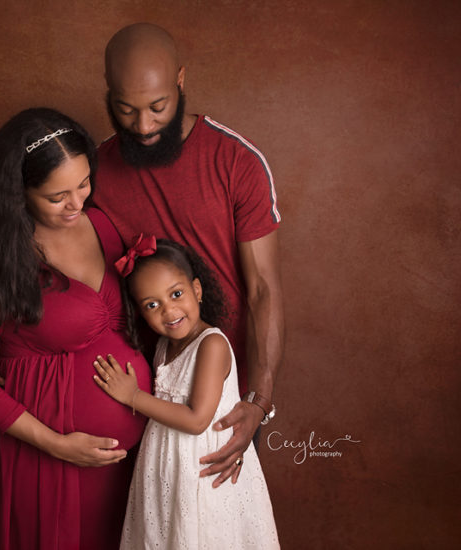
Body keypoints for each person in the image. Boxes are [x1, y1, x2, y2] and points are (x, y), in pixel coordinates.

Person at [0, 107, 152, 550]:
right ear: (18, 192)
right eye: (58, 196)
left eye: (83, 184)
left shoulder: (100, 225)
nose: (77, 203)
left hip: (125, 463)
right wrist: (57, 444)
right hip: (45, 459)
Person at [94, 22, 285, 487]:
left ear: (180, 80)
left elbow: (263, 290)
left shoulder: (235, 161)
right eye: (126, 109)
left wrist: (258, 402)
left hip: (220, 400)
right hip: (132, 390)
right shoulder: (94, 169)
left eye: (158, 107)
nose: (143, 126)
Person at [92, 237, 280, 549]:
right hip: (169, 470)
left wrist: (133, 396)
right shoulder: (165, 346)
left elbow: (196, 420)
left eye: (176, 294)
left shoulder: (211, 345)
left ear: (197, 289)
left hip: (202, 471)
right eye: (152, 305)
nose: (169, 311)